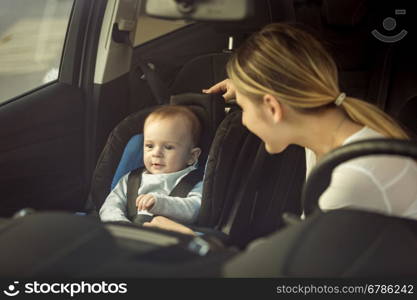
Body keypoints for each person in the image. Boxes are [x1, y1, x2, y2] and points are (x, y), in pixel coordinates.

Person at [145, 22, 417, 235]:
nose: (246, 121)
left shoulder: (350, 178)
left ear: (273, 108)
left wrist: (196, 244)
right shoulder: (330, 134)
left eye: (245, 110)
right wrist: (249, 86)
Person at [99, 105, 203, 225]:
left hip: (170, 237)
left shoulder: (195, 182)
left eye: (168, 147)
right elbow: (109, 207)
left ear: (192, 156)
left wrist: (159, 203)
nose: (156, 153)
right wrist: (122, 225)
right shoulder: (131, 179)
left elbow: (194, 209)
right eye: (149, 146)